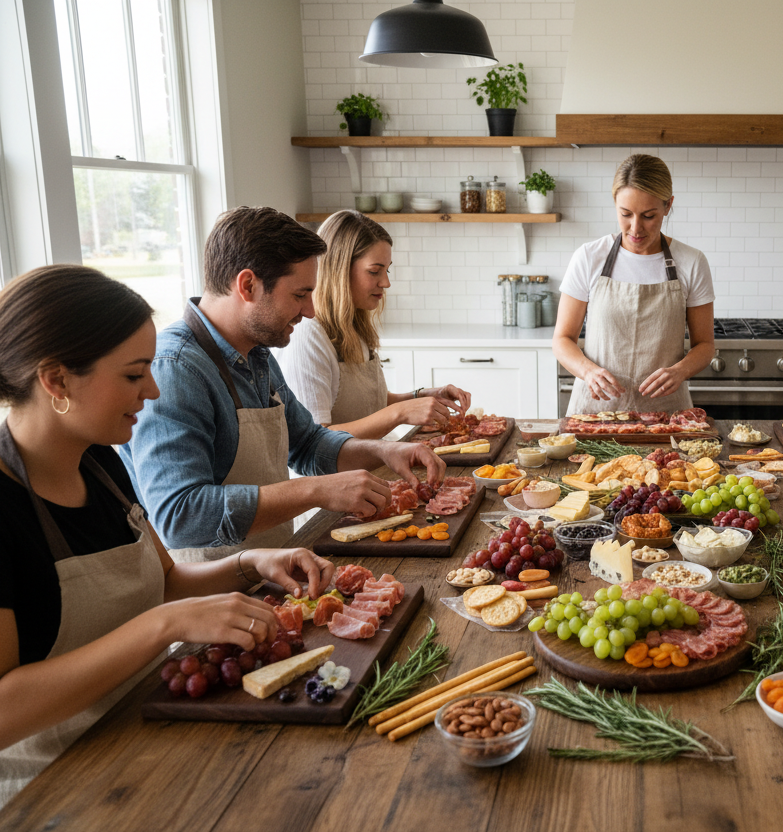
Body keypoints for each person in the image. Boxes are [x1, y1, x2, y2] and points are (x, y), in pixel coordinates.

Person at [0, 266, 334, 806]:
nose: (153, 390)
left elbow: (168, 581)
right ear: (56, 380)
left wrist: (252, 564)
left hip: (144, 744)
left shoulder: (101, 464)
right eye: (134, 375)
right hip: (52, 792)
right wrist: (163, 626)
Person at [121, 206, 446, 562]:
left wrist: (383, 451)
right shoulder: (177, 369)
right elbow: (180, 516)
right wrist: (315, 490)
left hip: (272, 566)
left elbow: (307, 443)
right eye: (299, 294)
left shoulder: (256, 353)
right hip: (212, 591)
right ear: (248, 285)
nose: (309, 310)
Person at [275, 210, 472, 438]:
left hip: (369, 462)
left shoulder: (352, 326)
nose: (386, 282)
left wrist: (422, 396)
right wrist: (400, 413)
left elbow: (366, 403)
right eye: (374, 271)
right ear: (339, 270)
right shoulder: (307, 335)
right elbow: (313, 439)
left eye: (386, 270)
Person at [553, 154, 714, 414]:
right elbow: (562, 339)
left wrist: (679, 371)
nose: (635, 228)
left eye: (649, 215)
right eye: (625, 214)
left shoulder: (692, 262)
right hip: (597, 413)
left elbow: (705, 345)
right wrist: (588, 371)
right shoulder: (589, 257)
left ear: (668, 205)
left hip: (666, 415)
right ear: (615, 203)